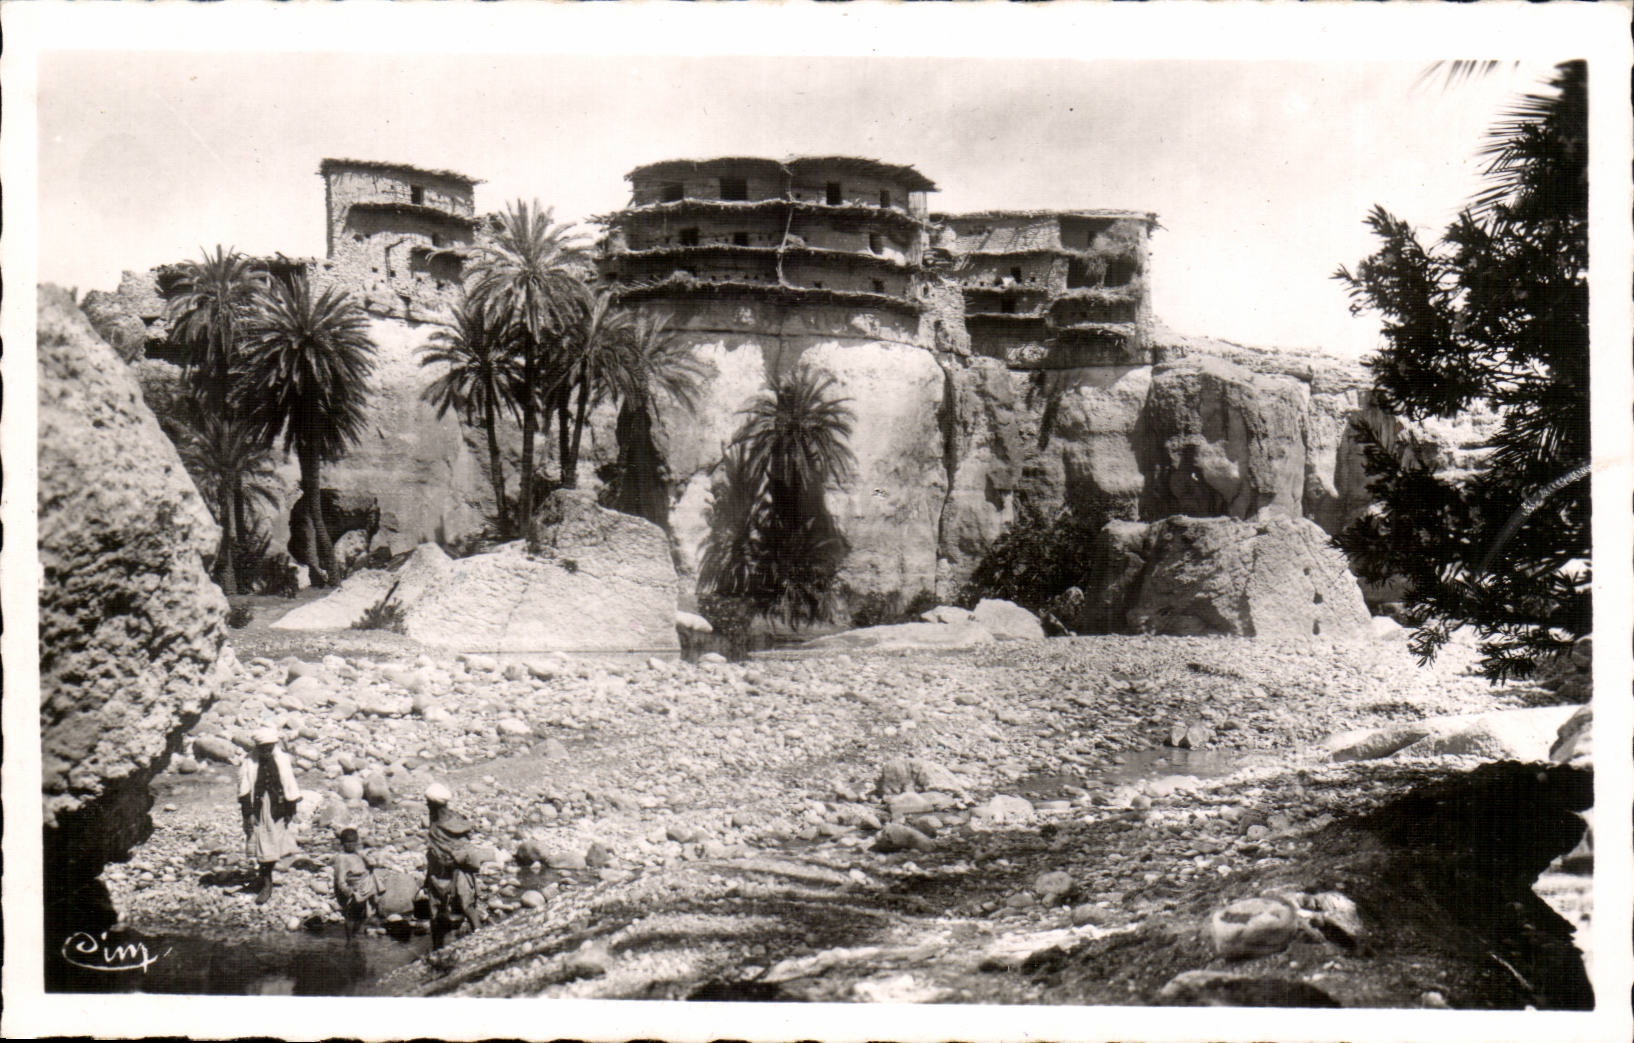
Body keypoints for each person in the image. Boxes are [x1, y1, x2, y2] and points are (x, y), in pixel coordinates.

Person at [238, 727, 302, 904]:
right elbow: (244, 790)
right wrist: (248, 813)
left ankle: (265, 876)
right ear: (257, 747)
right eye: (263, 748)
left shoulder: (282, 760)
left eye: (270, 747)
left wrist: (291, 810)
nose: (267, 751)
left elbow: (289, 784)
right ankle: (266, 881)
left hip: (277, 807)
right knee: (259, 842)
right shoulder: (249, 763)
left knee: (274, 843)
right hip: (258, 807)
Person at [423, 782, 486, 949]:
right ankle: (479, 937)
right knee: (466, 905)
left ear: (432, 804)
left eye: (428, 803)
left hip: (444, 873)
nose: (427, 806)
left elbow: (443, 851)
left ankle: (439, 948)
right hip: (458, 870)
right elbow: (464, 847)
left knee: (439, 909)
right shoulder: (457, 819)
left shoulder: (436, 822)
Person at [332, 827, 378, 941]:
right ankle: (350, 939)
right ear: (342, 843)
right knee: (351, 915)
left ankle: (354, 935)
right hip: (351, 889)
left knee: (361, 914)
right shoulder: (341, 858)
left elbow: (368, 866)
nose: (351, 845)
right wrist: (348, 892)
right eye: (348, 842)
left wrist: (368, 860)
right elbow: (340, 879)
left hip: (361, 887)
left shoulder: (358, 854)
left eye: (354, 842)